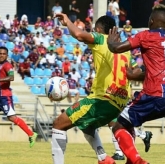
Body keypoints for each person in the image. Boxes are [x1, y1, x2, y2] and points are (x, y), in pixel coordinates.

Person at [52, 13, 130, 164]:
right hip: (119, 102)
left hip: (103, 100)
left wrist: (67, 21)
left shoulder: (102, 39)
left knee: (58, 124)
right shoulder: (124, 49)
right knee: (87, 126)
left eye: (95, 29)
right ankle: (104, 159)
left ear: (99, 30)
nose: (93, 32)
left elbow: (79, 35)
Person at [107, 5, 165, 163]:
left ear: (152, 21)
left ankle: (138, 161)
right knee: (129, 123)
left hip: (155, 94)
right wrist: (137, 76)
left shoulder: (147, 35)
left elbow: (117, 48)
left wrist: (111, 43)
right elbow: (161, 71)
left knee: (118, 125)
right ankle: (132, 160)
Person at [0, 47, 37, 148]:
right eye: (0, 53)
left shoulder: (7, 65)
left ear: (7, 55)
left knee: (11, 117)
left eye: (4, 54)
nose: (2, 55)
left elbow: (11, 77)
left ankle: (31, 134)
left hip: (5, 97)